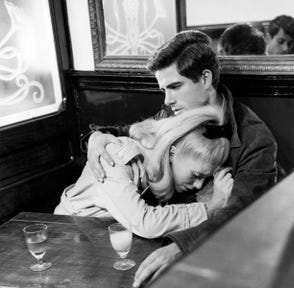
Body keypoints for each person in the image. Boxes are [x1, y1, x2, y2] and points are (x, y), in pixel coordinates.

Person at [85, 30, 277, 287]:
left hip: (212, 255)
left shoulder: (255, 138)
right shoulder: (171, 113)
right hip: (143, 239)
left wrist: (181, 247)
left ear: (205, 78)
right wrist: (96, 138)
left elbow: (242, 213)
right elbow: (135, 135)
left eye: (175, 86)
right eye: (163, 89)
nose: (167, 100)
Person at [55, 105, 233, 238]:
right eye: (196, 175)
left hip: (103, 237)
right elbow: (144, 222)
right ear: (172, 151)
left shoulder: (160, 168)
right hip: (69, 237)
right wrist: (210, 207)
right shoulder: (114, 157)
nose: (198, 185)